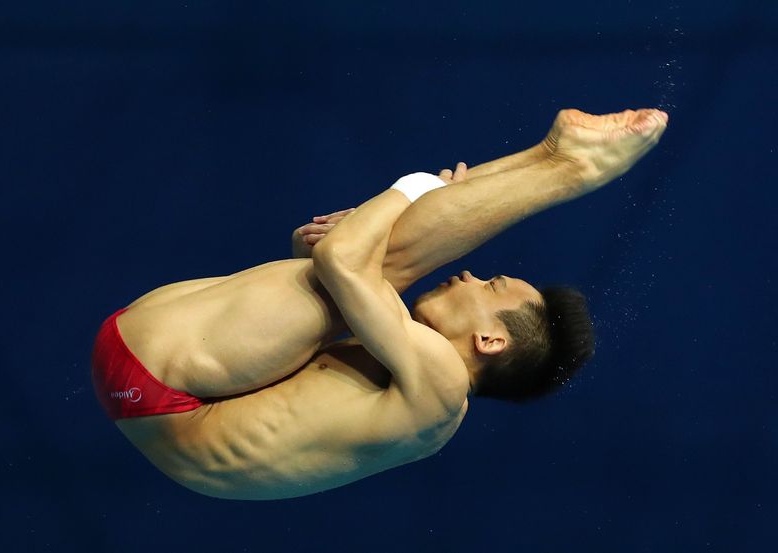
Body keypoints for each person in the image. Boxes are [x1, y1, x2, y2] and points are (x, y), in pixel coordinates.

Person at [92, 108, 668, 500]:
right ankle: (550, 155)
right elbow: (319, 277)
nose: (469, 273)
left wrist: (414, 189)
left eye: (489, 285)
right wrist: (341, 245)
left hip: (159, 383)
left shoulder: (440, 388)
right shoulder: (414, 387)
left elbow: (344, 261)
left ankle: (570, 166)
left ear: (491, 342)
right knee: (362, 271)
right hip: (155, 385)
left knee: (380, 264)